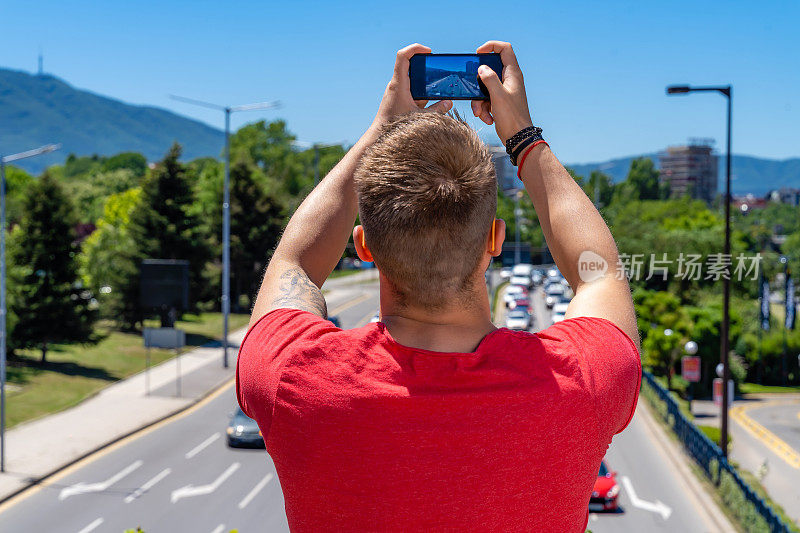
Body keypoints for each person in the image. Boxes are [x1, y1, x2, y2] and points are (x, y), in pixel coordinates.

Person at [237, 41, 640, 532]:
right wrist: (525, 139)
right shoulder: (580, 382)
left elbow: (294, 265)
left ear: (365, 246)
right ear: (495, 240)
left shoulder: (293, 375)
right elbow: (597, 274)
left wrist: (380, 131)